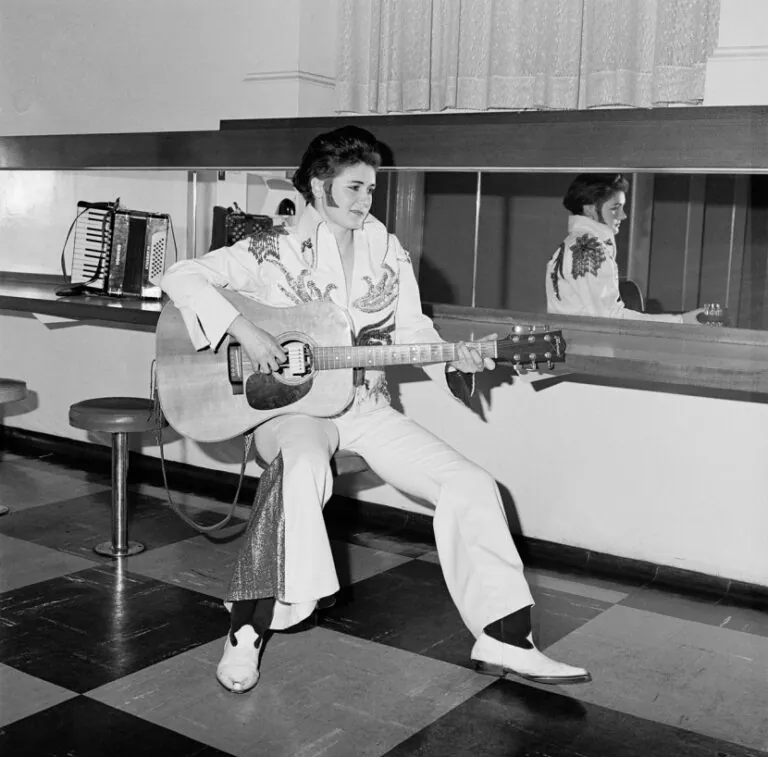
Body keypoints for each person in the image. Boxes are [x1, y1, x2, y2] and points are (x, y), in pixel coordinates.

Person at [160, 125, 591, 694]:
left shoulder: (385, 249)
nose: (366, 202)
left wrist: (458, 359)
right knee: (302, 465)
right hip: (288, 411)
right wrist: (247, 332)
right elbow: (179, 275)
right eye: (355, 188)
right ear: (319, 186)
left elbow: (412, 329)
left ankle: (507, 637)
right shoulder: (269, 247)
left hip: (363, 404)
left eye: (371, 189)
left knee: (470, 484)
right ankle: (247, 631)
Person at [546, 173, 702, 323]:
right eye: (615, 208)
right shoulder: (589, 249)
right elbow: (611, 318)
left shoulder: (570, 244)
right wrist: (681, 321)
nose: (623, 216)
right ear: (589, 209)